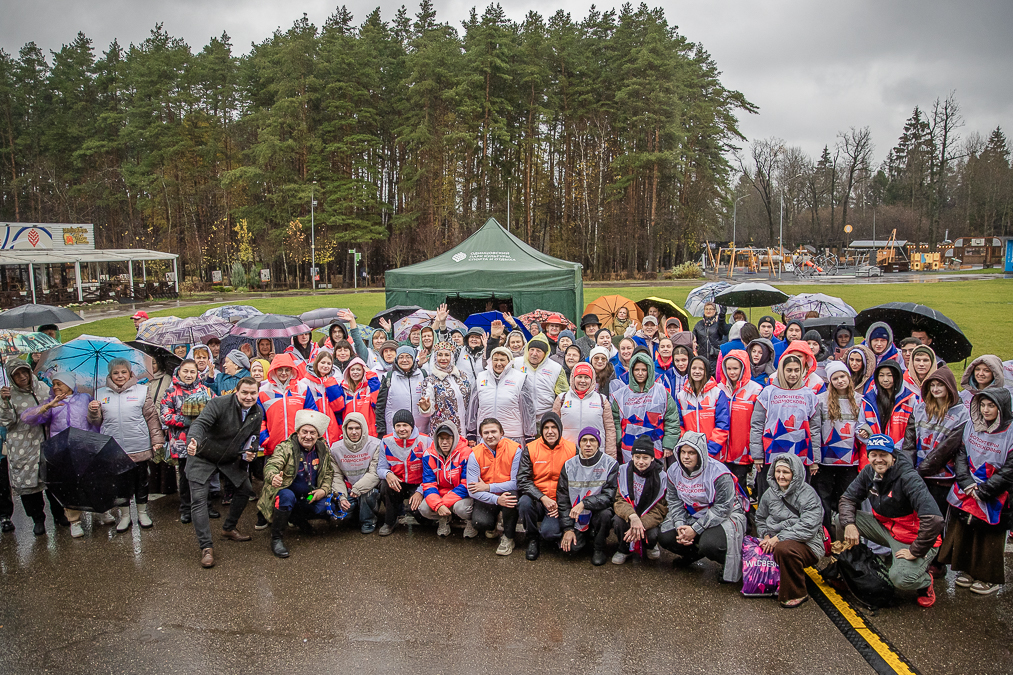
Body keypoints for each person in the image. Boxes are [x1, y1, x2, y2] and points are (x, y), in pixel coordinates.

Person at [839, 434, 943, 608]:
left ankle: (925, 582)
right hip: (886, 528)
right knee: (842, 520)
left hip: (911, 537)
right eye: (874, 455)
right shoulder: (869, 472)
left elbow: (934, 519)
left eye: (883, 455)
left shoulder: (908, 477)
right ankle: (853, 565)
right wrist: (849, 525)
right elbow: (847, 499)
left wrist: (916, 550)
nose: (878, 460)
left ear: (892, 456)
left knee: (900, 579)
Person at [939, 388, 1013, 595]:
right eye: (983, 405)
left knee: (989, 537)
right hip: (969, 488)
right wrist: (967, 483)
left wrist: (985, 490)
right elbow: (961, 455)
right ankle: (969, 571)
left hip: (997, 493)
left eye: (991, 406)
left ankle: (990, 578)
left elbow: (1010, 469)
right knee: (966, 530)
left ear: (1002, 408)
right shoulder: (971, 426)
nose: (986, 409)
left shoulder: (1011, 431)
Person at [184, 377, 263, 568]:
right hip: (203, 454)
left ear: (257, 393)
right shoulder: (219, 403)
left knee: (245, 489)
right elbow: (199, 424)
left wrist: (251, 450)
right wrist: (193, 440)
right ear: (236, 391)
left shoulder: (257, 412)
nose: (248, 397)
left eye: (253, 393)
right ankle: (206, 547)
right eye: (245, 392)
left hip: (228, 457)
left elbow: (254, 437)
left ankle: (228, 528)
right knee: (199, 500)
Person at [659, 431, 748, 583]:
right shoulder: (673, 471)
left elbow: (723, 508)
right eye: (683, 452)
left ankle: (727, 563)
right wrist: (681, 525)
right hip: (692, 514)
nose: (686, 457)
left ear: (700, 454)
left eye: (691, 453)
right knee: (666, 536)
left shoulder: (719, 473)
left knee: (710, 544)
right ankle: (693, 554)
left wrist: (695, 530)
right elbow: (674, 501)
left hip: (725, 516)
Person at [88, 358, 165, 533]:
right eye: (116, 373)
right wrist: (93, 411)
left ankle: (142, 513)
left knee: (141, 481)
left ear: (130, 373)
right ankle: (124, 516)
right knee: (120, 484)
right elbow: (96, 422)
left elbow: (151, 417)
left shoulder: (141, 391)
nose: (120, 376)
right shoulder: (100, 393)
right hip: (114, 448)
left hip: (138, 444)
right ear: (110, 375)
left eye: (123, 372)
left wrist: (157, 440)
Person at [19, 369, 91, 536]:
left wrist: (95, 411)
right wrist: (47, 407)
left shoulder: (85, 398)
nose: (55, 387)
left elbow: (95, 421)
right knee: (69, 486)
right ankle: (74, 521)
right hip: (61, 451)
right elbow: (27, 418)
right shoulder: (51, 402)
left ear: (70, 384)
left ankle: (99, 511)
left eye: (59, 383)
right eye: (54, 384)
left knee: (89, 482)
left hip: (83, 447)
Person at [258, 409, 334, 558]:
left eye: (312, 433)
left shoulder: (323, 448)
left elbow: (329, 472)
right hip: (287, 493)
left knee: (326, 507)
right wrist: (273, 476)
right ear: (298, 432)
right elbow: (272, 465)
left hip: (308, 496)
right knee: (286, 497)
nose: (308, 436)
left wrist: (323, 490)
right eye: (304, 432)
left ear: (318, 435)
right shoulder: (285, 447)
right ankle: (277, 538)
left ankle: (297, 518)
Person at [749, 349, 821, 500]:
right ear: (781, 370)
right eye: (789, 370)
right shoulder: (767, 393)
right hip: (771, 454)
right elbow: (757, 424)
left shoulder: (809, 395)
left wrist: (815, 460)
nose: (793, 374)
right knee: (770, 496)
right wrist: (757, 455)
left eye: (796, 370)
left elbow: (814, 429)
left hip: (801, 453)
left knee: (798, 496)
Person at [756, 453, 826, 608]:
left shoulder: (808, 494)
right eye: (778, 471)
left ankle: (797, 592)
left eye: (786, 472)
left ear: (795, 474)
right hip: (775, 538)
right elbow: (760, 518)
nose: (781, 476)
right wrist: (766, 536)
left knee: (784, 550)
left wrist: (778, 538)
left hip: (806, 543)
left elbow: (808, 526)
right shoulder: (769, 493)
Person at [903, 367, 968, 517]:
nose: (935, 389)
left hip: (941, 479)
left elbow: (945, 450)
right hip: (917, 474)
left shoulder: (961, 414)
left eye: (940, 385)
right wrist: (908, 469)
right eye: (932, 385)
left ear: (949, 387)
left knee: (935, 519)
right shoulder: (919, 409)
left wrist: (918, 472)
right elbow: (909, 443)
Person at [159, 359, 217, 525]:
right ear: (179, 372)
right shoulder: (171, 392)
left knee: (204, 475)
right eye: (185, 371)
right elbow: (165, 416)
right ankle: (186, 508)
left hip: (203, 441)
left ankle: (206, 506)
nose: (189, 375)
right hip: (181, 442)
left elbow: (216, 408)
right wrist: (187, 420)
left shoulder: (205, 390)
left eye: (192, 372)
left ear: (197, 373)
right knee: (185, 476)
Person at [516, 412, 576, 560]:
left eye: (554, 427)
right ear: (541, 430)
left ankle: (554, 533)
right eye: (546, 428)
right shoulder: (531, 448)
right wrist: (542, 497)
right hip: (538, 499)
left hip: (558, 502)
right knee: (524, 502)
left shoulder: (572, 449)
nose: (550, 431)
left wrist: (561, 505)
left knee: (550, 533)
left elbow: (575, 483)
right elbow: (522, 479)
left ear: (560, 429)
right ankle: (532, 538)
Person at [556, 426, 619, 565]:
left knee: (605, 514)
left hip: (597, 511)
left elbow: (609, 496)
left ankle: (599, 548)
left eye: (592, 440)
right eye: (584, 440)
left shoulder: (610, 464)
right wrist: (568, 529)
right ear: (579, 444)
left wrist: (584, 503)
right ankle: (584, 536)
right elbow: (563, 498)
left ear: (598, 444)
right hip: (577, 516)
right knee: (570, 550)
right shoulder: (569, 465)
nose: (588, 444)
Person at [814, 361, 863, 532]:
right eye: (835, 378)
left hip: (850, 461)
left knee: (848, 499)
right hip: (826, 460)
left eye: (843, 376)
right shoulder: (820, 400)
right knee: (823, 499)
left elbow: (865, 426)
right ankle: (826, 536)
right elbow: (815, 428)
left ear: (849, 378)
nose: (840, 381)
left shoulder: (859, 400)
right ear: (830, 381)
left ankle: (848, 536)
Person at [467, 417, 523, 555]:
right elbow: (472, 490)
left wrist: (488, 487)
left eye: (493, 431)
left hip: (507, 492)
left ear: (501, 433)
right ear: (481, 435)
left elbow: (516, 482)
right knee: (479, 523)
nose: (490, 436)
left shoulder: (515, 450)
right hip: (490, 497)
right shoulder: (475, 454)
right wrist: (496, 499)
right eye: (486, 433)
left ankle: (508, 537)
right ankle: (492, 524)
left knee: (511, 497)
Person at [612, 351, 681, 463]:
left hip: (656, 446)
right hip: (629, 447)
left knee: (655, 478)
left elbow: (672, 419)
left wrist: (668, 444)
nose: (640, 373)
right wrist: (619, 438)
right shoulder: (620, 395)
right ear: (631, 371)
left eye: (644, 370)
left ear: (649, 370)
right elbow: (614, 421)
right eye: (636, 370)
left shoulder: (661, 391)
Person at [611, 435, 668, 564]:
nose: (640, 461)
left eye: (645, 458)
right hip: (630, 515)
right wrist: (633, 517)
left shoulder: (662, 477)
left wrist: (640, 524)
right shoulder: (623, 471)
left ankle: (650, 545)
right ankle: (623, 549)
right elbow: (619, 500)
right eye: (637, 457)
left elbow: (660, 509)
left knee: (653, 533)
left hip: (647, 517)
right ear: (632, 457)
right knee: (617, 521)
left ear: (653, 458)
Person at [377, 409, 430, 536]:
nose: (402, 429)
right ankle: (390, 521)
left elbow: (431, 473)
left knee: (423, 520)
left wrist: (420, 492)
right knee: (385, 485)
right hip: (398, 482)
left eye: (405, 425)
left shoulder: (425, 441)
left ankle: (417, 514)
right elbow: (380, 468)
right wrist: (387, 474)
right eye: (398, 425)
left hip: (418, 484)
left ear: (412, 426)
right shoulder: (386, 441)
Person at [328, 412, 383, 533]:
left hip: (367, 488)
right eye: (350, 428)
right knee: (345, 514)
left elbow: (374, 473)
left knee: (369, 495)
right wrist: (341, 496)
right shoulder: (335, 449)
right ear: (344, 429)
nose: (354, 432)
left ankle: (369, 521)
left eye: (357, 428)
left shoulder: (376, 444)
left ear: (363, 428)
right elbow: (336, 476)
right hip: (348, 490)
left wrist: (358, 488)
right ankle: (355, 512)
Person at [468, 346, 535, 445]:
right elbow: (472, 408)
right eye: (496, 360)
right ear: (491, 361)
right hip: (486, 435)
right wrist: (471, 433)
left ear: (509, 361)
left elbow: (528, 410)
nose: (499, 363)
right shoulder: (481, 377)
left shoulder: (520, 378)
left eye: (502, 360)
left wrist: (530, 435)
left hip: (512, 435)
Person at [419, 421, 474, 537]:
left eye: (448, 438)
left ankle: (470, 522)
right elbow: (429, 484)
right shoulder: (428, 455)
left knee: (461, 509)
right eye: (441, 438)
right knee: (423, 508)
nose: (444, 442)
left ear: (454, 437)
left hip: (462, 496)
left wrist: (441, 504)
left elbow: (466, 484)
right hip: (440, 493)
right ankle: (444, 519)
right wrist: (438, 505)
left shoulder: (467, 453)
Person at [718, 350, 763, 488]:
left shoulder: (755, 390)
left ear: (743, 368)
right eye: (729, 368)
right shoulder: (718, 389)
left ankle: (744, 509)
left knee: (741, 486)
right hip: (723, 450)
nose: (732, 372)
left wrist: (754, 450)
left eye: (735, 368)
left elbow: (758, 422)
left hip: (743, 450)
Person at [258, 353, 316, 459]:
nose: (284, 373)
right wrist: (265, 439)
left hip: (299, 447)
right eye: (280, 369)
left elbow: (311, 415)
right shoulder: (263, 391)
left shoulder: (303, 389)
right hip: (273, 448)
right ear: (274, 370)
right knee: (274, 476)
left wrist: (306, 438)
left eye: (287, 370)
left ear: (292, 370)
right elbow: (259, 419)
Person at [553, 361, 616, 456]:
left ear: (592, 379)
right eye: (579, 377)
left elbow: (610, 429)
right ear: (573, 378)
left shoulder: (601, 400)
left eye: (586, 377)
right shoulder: (562, 399)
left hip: (595, 453)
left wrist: (611, 456)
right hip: (567, 453)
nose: (583, 381)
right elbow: (553, 428)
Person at [859, 361, 916, 463]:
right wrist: (876, 445)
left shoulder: (910, 399)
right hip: (872, 458)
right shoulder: (868, 399)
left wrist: (892, 449)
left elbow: (913, 430)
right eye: (881, 375)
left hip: (899, 455)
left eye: (890, 375)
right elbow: (859, 426)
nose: (885, 379)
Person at [676, 356, 730, 460]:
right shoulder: (681, 396)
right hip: (689, 453)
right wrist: (688, 447)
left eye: (701, 369)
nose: (697, 371)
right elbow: (678, 425)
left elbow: (722, 426)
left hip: (713, 454)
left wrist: (709, 451)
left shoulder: (717, 394)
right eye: (694, 368)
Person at [512, 334, 568, 422]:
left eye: (538, 351)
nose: (534, 353)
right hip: (520, 417)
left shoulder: (556, 368)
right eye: (532, 350)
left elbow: (563, 394)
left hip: (546, 417)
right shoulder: (516, 363)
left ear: (545, 354)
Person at [418, 342, 471, 433]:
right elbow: (428, 412)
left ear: (452, 357)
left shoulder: (463, 377)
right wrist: (426, 408)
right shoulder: (430, 381)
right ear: (435, 357)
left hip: (465, 431)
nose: (443, 358)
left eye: (447, 355)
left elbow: (471, 404)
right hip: (443, 434)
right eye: (440, 355)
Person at [377, 346, 428, 436]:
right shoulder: (388, 377)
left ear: (413, 359)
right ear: (396, 360)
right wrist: (381, 430)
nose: (404, 360)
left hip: (421, 430)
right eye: (401, 357)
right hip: (396, 431)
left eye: (408, 357)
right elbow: (380, 406)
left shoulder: (423, 375)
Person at [335, 357, 381, 435]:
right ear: (348, 372)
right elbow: (338, 409)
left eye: (358, 370)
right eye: (352, 370)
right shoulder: (343, 388)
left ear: (364, 371)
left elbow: (376, 402)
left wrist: (371, 376)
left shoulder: (369, 388)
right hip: (349, 432)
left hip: (368, 431)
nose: (355, 372)